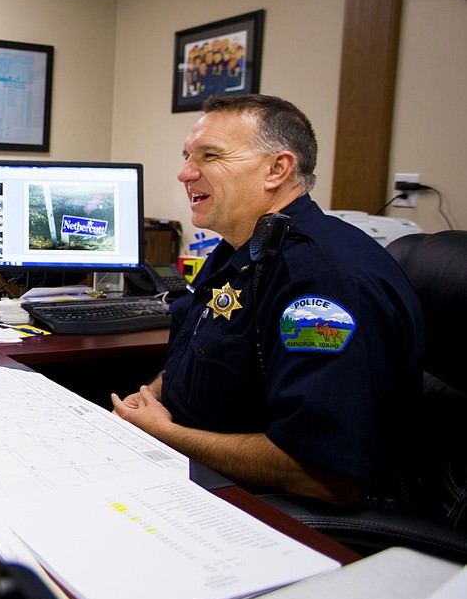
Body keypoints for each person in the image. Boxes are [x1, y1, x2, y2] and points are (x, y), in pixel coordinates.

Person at [111, 94, 423, 508]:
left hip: (267, 508)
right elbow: (202, 348)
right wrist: (151, 395)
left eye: (210, 155)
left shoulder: (322, 283)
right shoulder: (240, 250)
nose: (185, 172)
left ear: (278, 169)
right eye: (188, 156)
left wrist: (165, 434)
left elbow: (319, 473)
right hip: (190, 467)